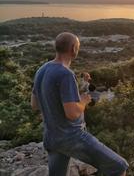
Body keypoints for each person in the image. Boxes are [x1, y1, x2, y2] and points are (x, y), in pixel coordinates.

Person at [31, 32, 128, 176]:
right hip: (72, 137)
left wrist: (82, 86)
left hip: (52, 137)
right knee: (119, 166)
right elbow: (72, 114)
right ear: (73, 49)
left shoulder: (42, 70)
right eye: (78, 46)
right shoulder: (66, 74)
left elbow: (35, 104)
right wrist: (83, 102)